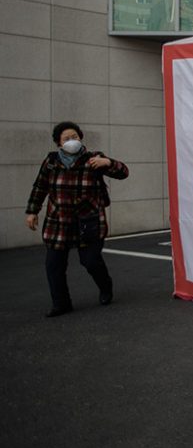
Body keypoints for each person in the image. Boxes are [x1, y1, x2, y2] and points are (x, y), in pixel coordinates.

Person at [25, 121, 130, 317]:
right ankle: (61, 303)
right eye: (67, 138)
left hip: (89, 222)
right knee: (54, 265)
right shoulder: (51, 162)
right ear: (58, 143)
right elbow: (40, 187)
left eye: (75, 137)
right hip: (59, 222)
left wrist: (108, 162)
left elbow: (123, 172)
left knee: (91, 261)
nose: (72, 141)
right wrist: (32, 211)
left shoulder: (93, 159)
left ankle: (105, 287)